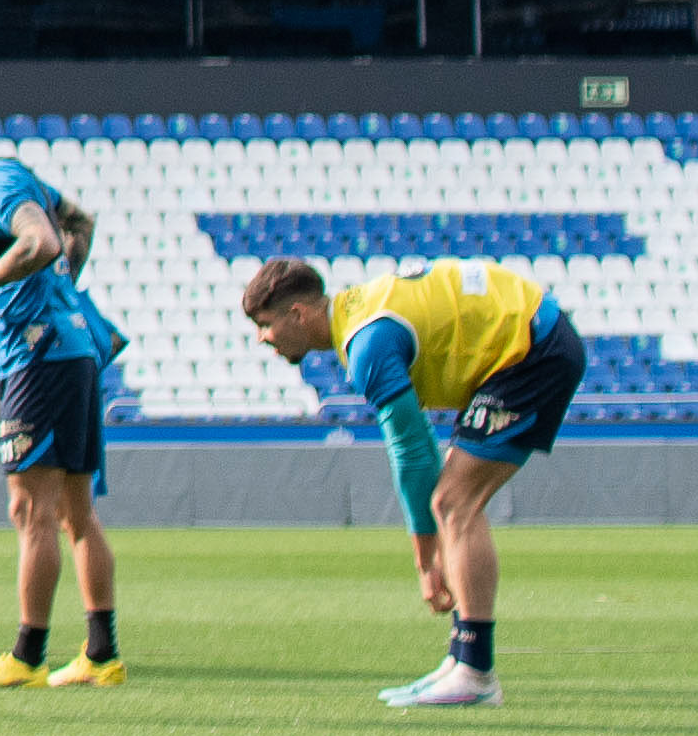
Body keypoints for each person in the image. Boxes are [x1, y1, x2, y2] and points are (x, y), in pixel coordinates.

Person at [241, 252, 584, 711]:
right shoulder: (359, 321)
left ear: (297, 314)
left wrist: (426, 564)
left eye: (265, 325)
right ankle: (464, 657)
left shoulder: (367, 342)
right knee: (454, 501)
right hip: (527, 340)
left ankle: (476, 672)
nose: (264, 339)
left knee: (453, 502)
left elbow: (409, 453)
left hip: (533, 349)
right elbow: (420, 436)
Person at [0, 137, 127, 693]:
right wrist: (59, 287)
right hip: (72, 349)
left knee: (30, 508)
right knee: (75, 511)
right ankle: (100, 652)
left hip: (39, 358)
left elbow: (41, 240)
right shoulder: (16, 179)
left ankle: (27, 654)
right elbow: (78, 223)